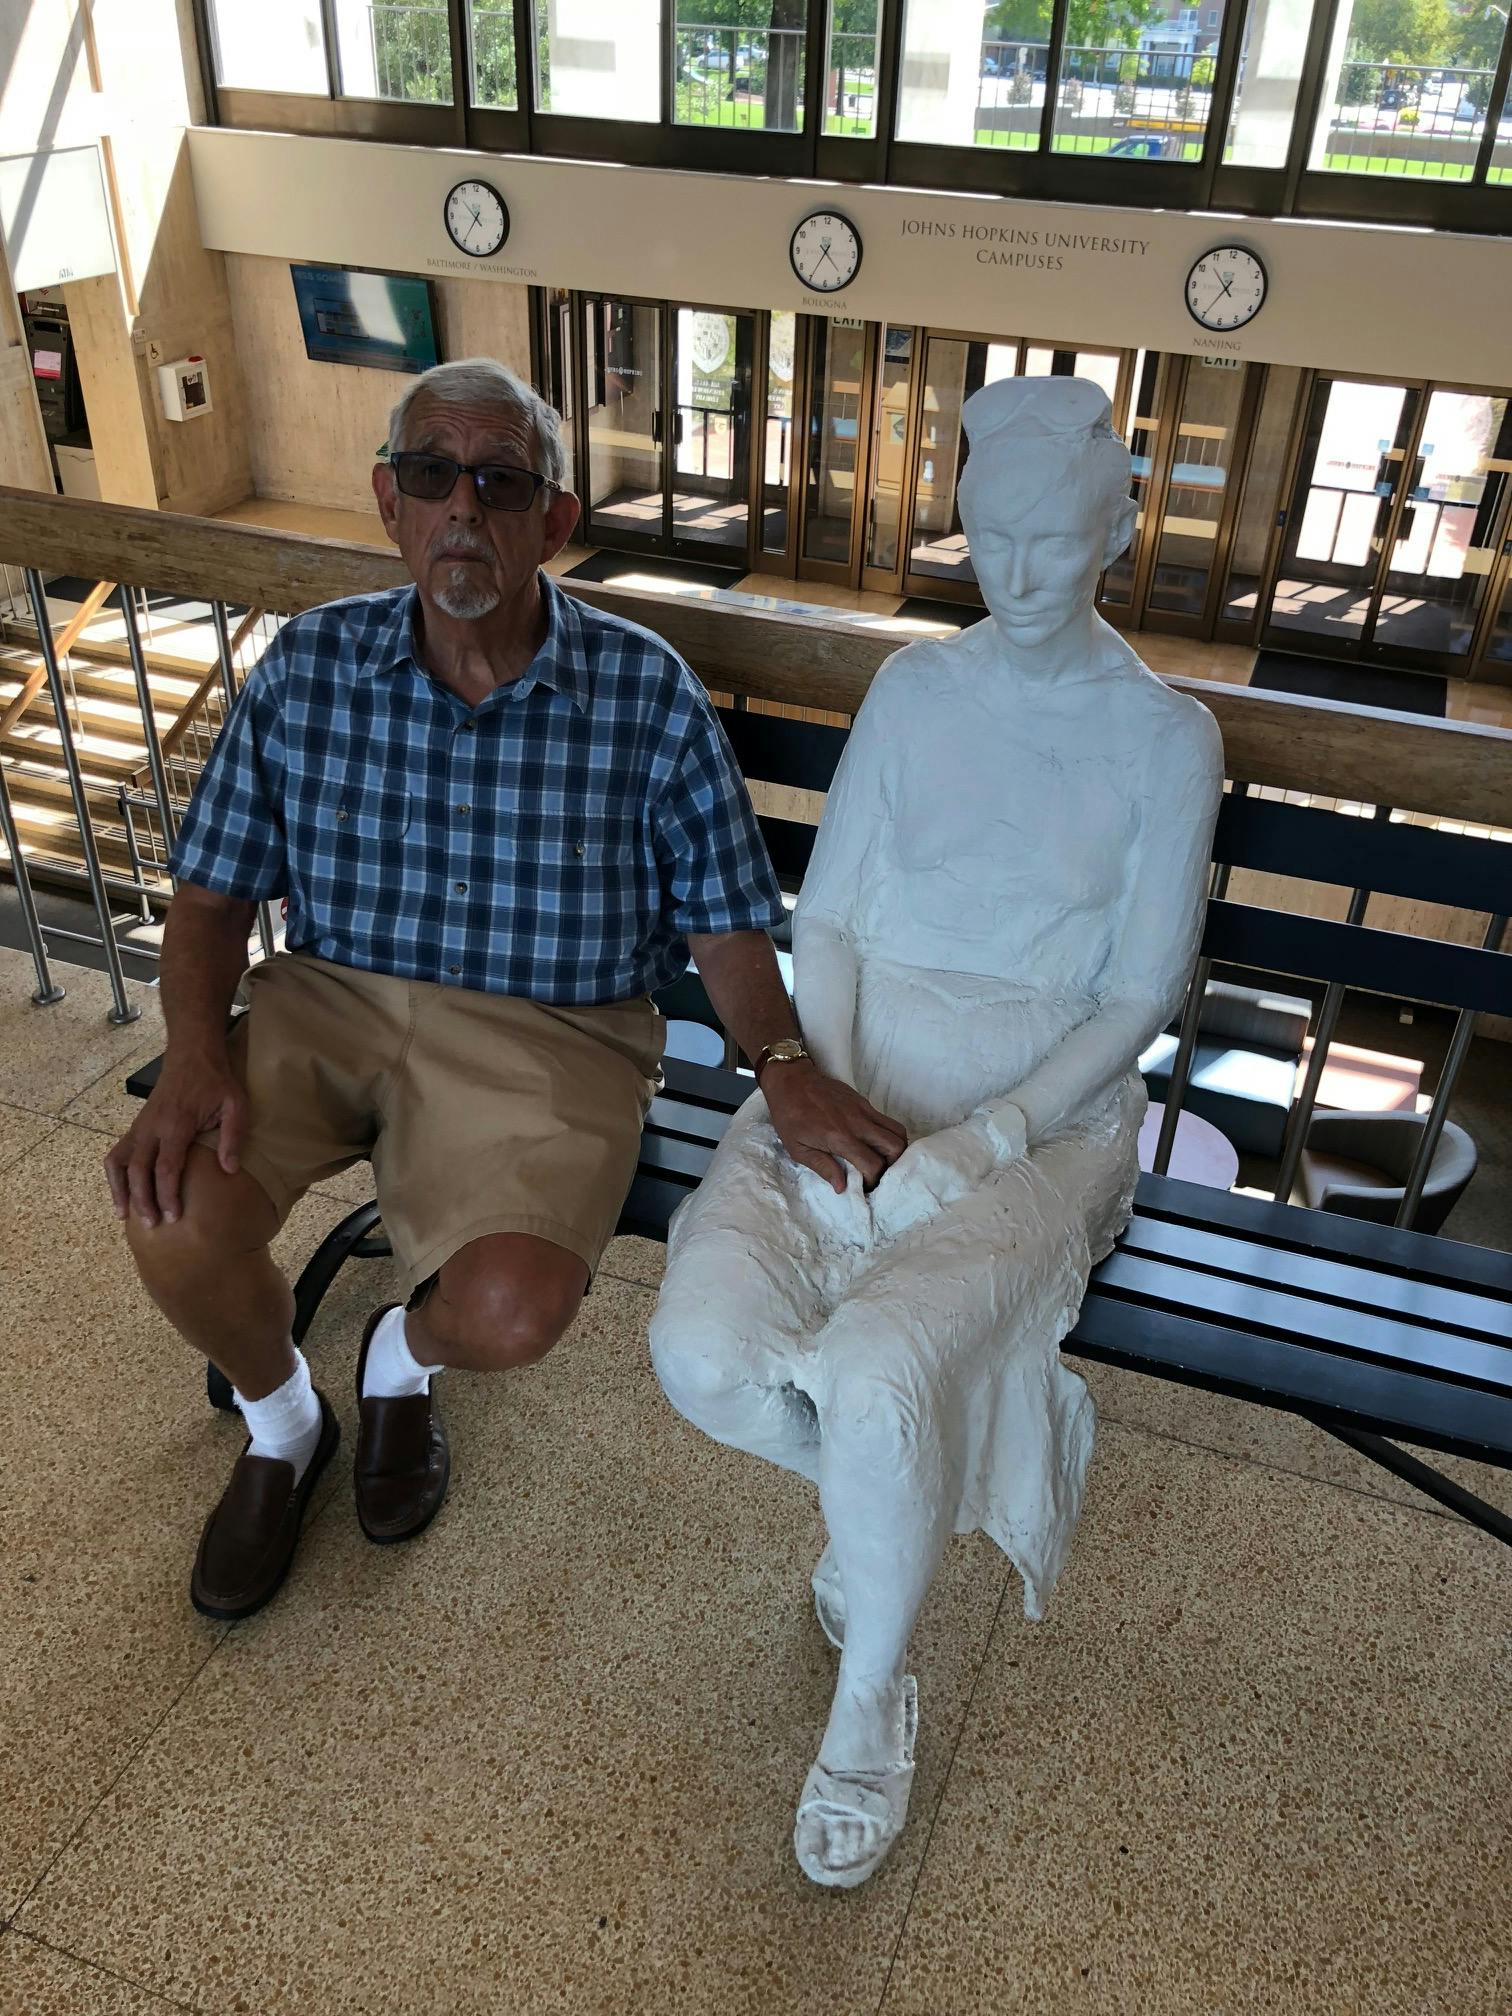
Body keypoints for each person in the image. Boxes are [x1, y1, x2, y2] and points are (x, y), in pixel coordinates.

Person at [107, 358, 904, 1623]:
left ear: (556, 519)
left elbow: (728, 921)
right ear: (391, 502)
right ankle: (283, 1421)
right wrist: (196, 1054)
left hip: (556, 1030)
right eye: (432, 475)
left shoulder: (645, 693)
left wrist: (785, 1066)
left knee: (514, 1311)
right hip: (327, 1000)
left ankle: (398, 1356)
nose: (463, 508)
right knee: (171, 1214)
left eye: (502, 482)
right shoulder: (308, 669)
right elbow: (208, 900)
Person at [649, 376, 1224, 1889]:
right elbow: (829, 921)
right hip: (858, 1077)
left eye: (1056, 543)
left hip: (1044, 1127)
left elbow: (1142, 989)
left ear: (1115, 533)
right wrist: (831, 1112)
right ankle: (879, 1518)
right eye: (994, 542)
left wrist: (986, 1142)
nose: (1021, 576)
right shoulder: (915, 693)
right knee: (698, 1351)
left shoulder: (1167, 738)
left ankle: (868, 1697)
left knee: (881, 1377)